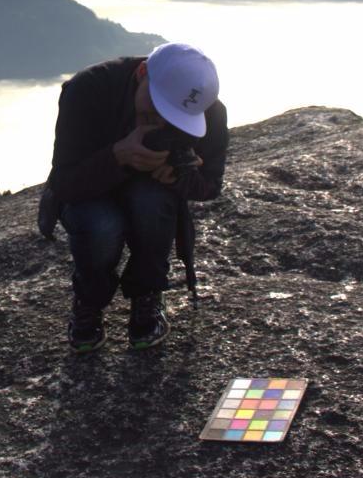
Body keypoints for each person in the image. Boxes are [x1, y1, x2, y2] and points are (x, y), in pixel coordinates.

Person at [40, 42, 229, 353]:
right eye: (155, 110)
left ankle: (147, 293)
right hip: (90, 189)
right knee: (102, 225)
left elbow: (210, 186)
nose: (160, 122)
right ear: (142, 73)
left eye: (174, 118)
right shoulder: (89, 89)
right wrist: (118, 156)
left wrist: (182, 178)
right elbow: (64, 184)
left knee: (151, 202)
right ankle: (89, 300)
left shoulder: (205, 110)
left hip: (148, 192)